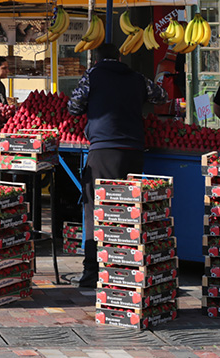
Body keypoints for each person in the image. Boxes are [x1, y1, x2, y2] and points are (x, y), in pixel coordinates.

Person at [67, 42, 167, 288]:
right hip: (134, 150)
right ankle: (125, 269)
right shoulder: (137, 77)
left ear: (96, 60)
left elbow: (74, 107)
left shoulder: (92, 75)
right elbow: (161, 96)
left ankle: (92, 271)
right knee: (127, 209)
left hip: (104, 149)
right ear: (120, 58)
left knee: (96, 209)